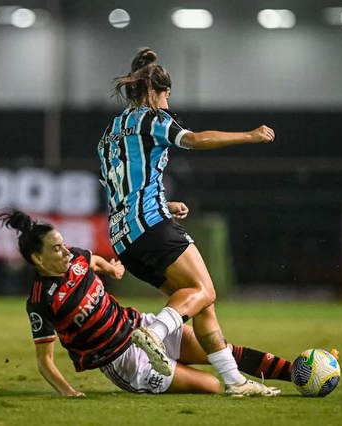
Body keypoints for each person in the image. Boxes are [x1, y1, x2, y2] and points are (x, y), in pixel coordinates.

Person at [97, 47, 276, 395]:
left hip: (124, 239)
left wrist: (166, 202)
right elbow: (193, 140)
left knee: (197, 300)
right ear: (153, 92)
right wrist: (249, 136)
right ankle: (155, 333)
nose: (167, 102)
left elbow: (120, 185)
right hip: (152, 227)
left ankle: (234, 380)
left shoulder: (109, 133)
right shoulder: (152, 118)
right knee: (205, 290)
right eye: (166, 95)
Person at [0, 210, 327, 396]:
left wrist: (113, 267)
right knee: (212, 386)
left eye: (64, 244)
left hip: (137, 326)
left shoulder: (78, 259)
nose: (66, 251)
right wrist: (69, 392)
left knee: (220, 349)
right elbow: (45, 362)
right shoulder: (41, 301)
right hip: (123, 359)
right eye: (56, 249)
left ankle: (298, 373)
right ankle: (195, 373)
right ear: (37, 258)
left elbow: (94, 261)